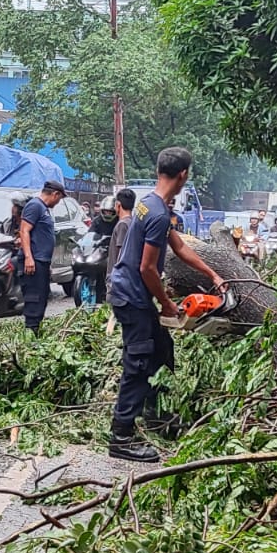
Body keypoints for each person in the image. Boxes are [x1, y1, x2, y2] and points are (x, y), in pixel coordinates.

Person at [106, 149, 225, 462]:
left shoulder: (150, 203)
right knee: (140, 361)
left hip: (133, 290)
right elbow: (147, 268)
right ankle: (121, 437)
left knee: (162, 350)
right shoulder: (156, 213)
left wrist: (212, 273)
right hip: (133, 295)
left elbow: (179, 246)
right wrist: (168, 304)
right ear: (184, 174)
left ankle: (158, 415)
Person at [17, 181, 65, 333]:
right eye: (59, 199)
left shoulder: (43, 208)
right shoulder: (35, 206)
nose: (58, 203)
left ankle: (34, 331)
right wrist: (28, 258)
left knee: (42, 298)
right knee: (34, 300)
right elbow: (24, 231)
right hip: (33, 261)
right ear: (55, 194)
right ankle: (30, 334)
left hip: (41, 262)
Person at [107, 188, 136, 275]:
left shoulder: (122, 224)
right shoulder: (133, 222)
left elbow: (121, 255)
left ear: (118, 205)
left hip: (118, 279)